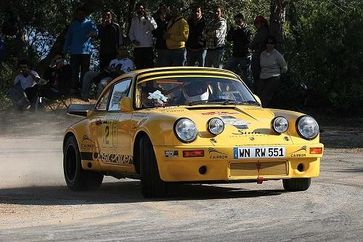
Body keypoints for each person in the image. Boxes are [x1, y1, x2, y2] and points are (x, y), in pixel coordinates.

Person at [63, 6, 98, 95]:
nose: (80, 15)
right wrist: (65, 49)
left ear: (85, 14)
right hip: (74, 51)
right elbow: (68, 38)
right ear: (77, 14)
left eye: (82, 14)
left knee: (85, 72)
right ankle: (74, 89)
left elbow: (96, 32)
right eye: (79, 14)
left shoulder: (90, 23)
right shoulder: (73, 24)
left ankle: (84, 90)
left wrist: (91, 33)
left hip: (86, 52)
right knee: (74, 71)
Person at [255, 36, 287, 107]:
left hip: (274, 76)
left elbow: (284, 67)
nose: (269, 45)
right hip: (263, 76)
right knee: (258, 94)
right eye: (268, 43)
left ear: (274, 45)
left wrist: (280, 74)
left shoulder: (277, 54)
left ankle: (263, 109)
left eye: (271, 43)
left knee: (265, 95)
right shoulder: (262, 54)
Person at [225, 13, 252, 86]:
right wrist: (231, 31)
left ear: (243, 21)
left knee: (246, 75)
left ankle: (248, 90)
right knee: (227, 69)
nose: (237, 23)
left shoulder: (247, 30)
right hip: (235, 54)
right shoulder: (235, 29)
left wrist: (241, 31)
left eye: (239, 21)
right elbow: (229, 39)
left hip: (244, 54)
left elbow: (248, 41)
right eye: (236, 22)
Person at [128, 2, 157, 69]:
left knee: (149, 67)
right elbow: (131, 33)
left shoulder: (149, 18)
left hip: (147, 47)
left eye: (141, 8)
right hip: (137, 48)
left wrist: (148, 19)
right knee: (139, 66)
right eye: (138, 8)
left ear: (144, 9)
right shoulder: (134, 19)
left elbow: (154, 27)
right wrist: (133, 40)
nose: (140, 10)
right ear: (136, 10)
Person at [251, 15, 269, 86]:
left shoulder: (262, 32)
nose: (256, 25)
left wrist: (250, 45)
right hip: (261, 55)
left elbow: (253, 44)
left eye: (257, 23)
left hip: (259, 55)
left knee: (257, 74)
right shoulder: (264, 31)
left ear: (262, 23)